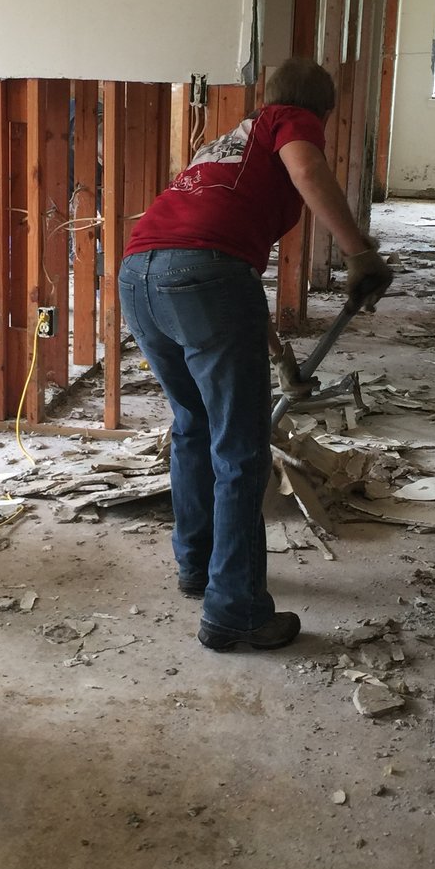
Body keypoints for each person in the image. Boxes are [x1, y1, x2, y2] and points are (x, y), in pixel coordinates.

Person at [118, 58, 392, 651]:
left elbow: (221, 272)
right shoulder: (289, 119)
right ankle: (235, 612)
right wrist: (358, 253)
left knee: (193, 425)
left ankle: (198, 566)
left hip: (140, 277)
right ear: (320, 112)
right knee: (239, 448)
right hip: (204, 278)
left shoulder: (224, 145)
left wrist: (280, 358)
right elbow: (306, 172)